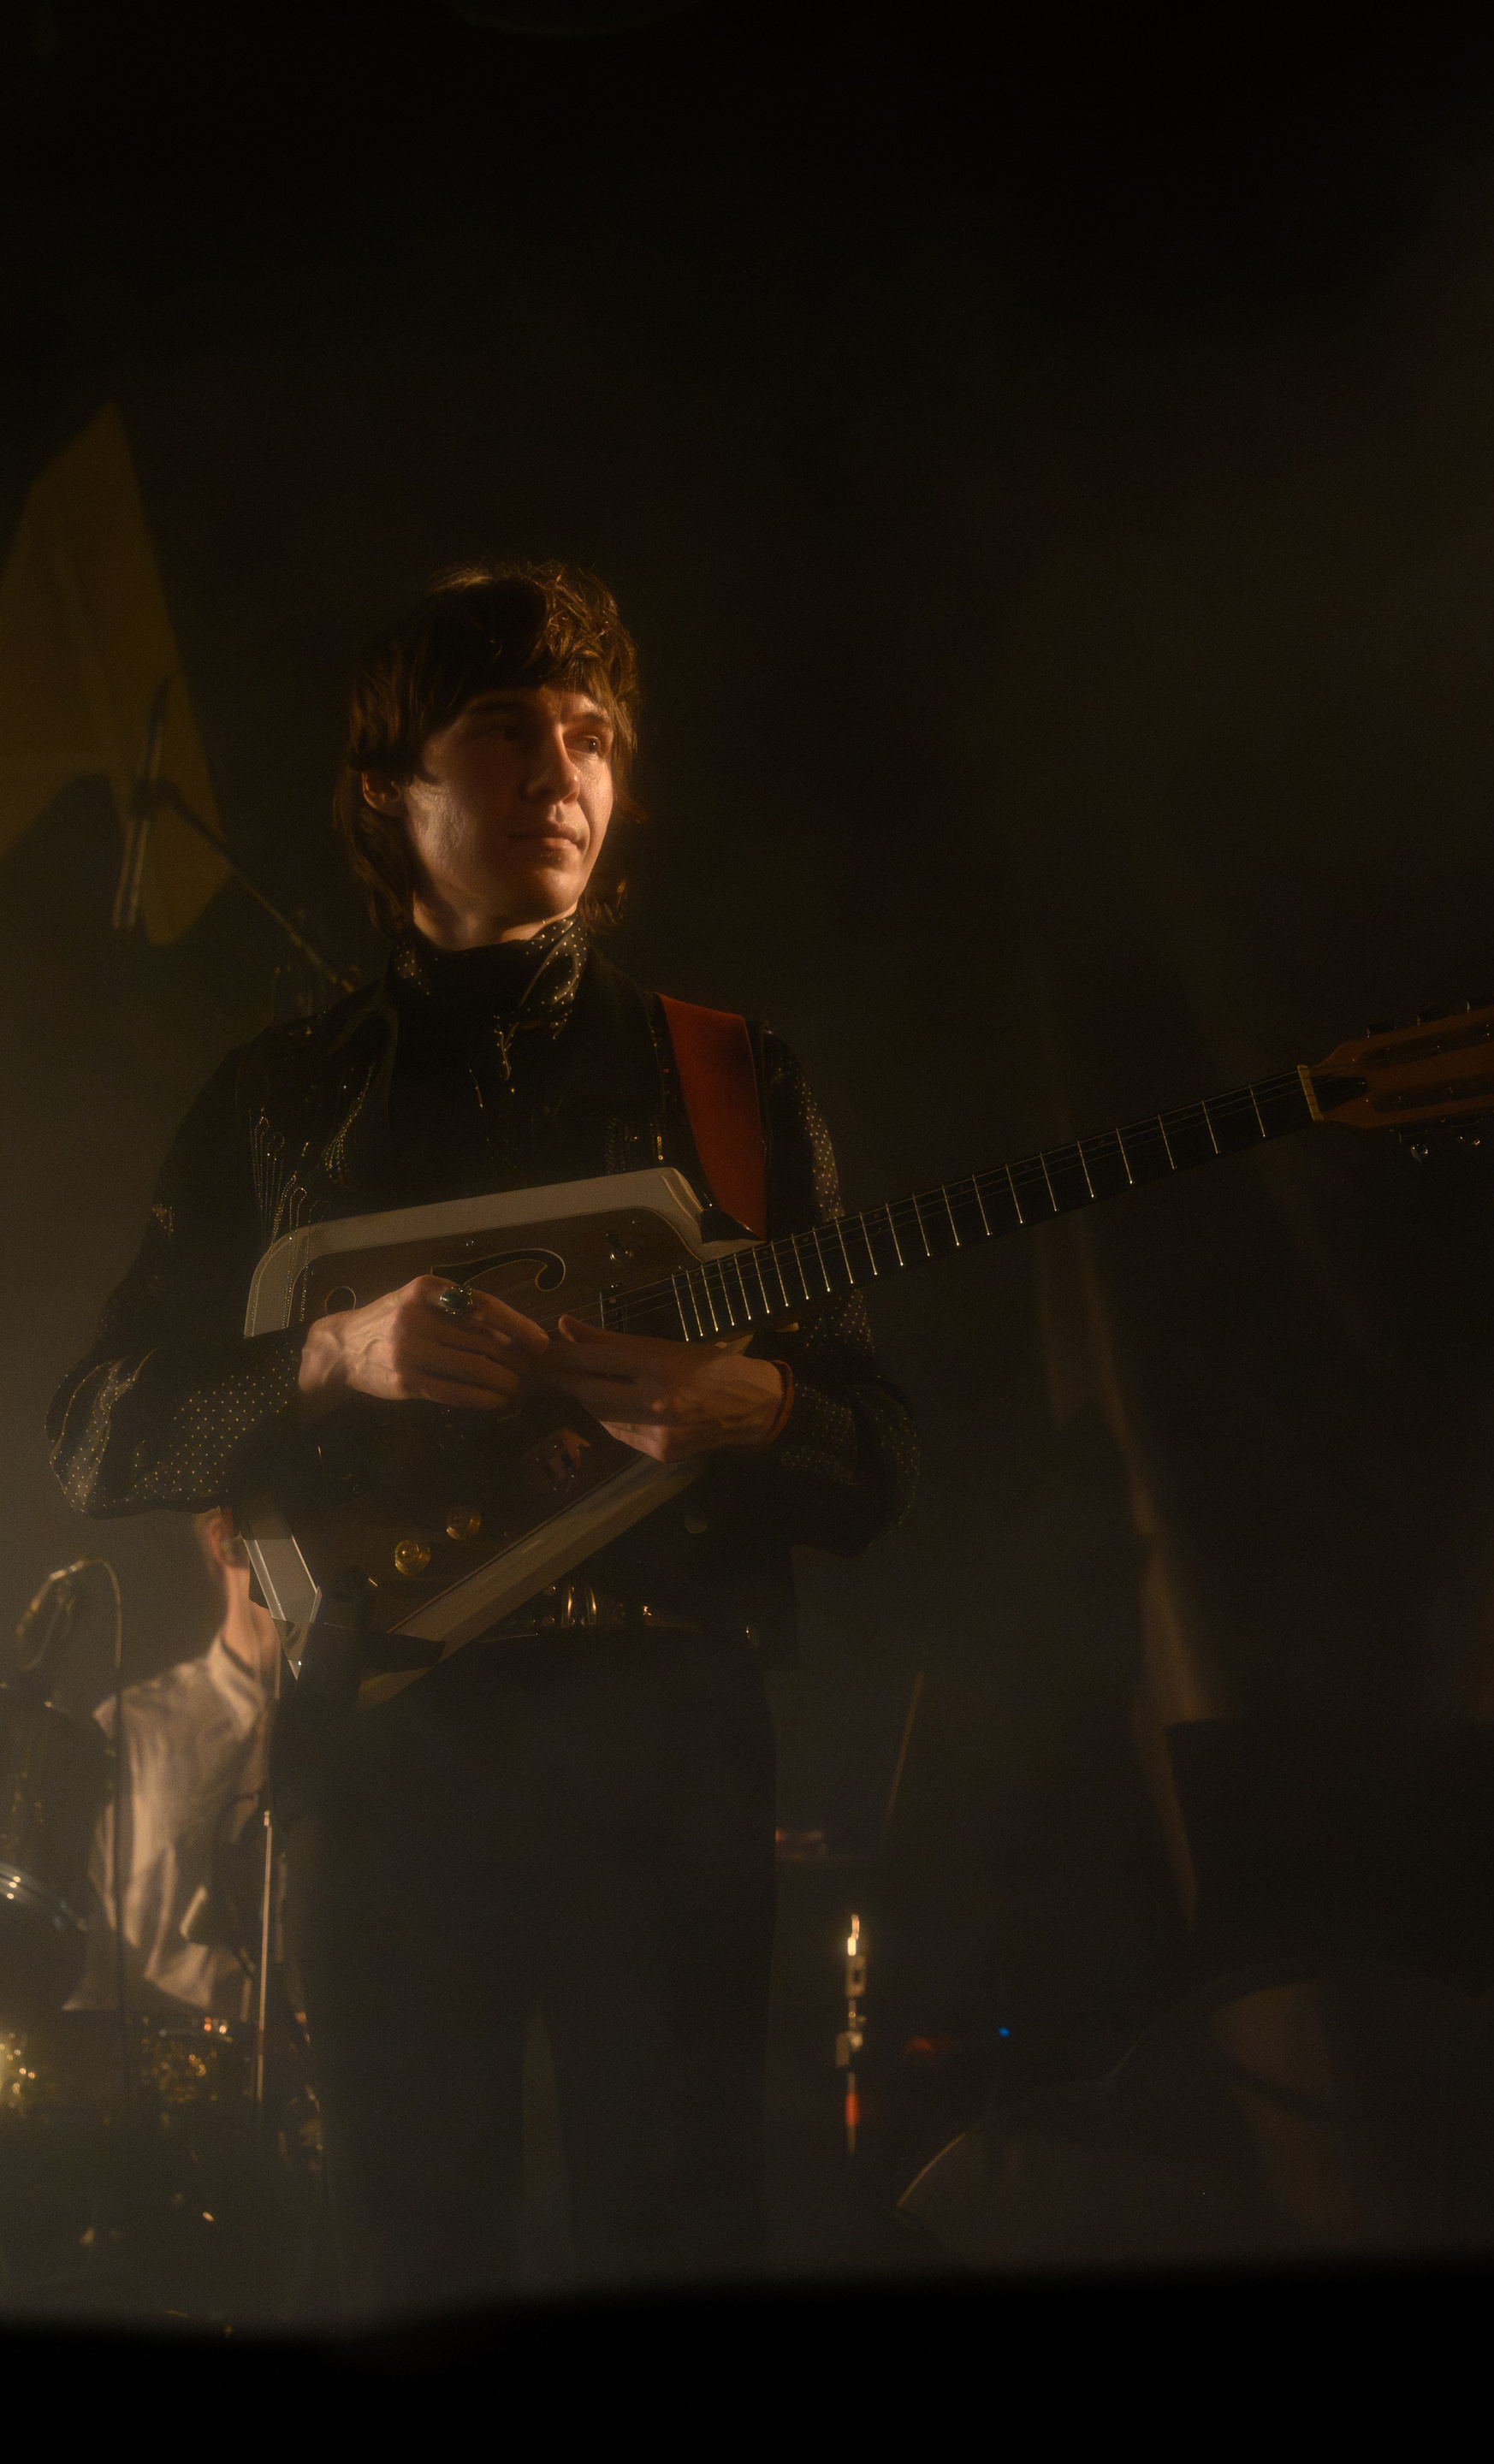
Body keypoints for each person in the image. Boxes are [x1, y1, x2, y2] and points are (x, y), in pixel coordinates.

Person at [46, 560, 916, 2311]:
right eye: (507, 730)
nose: (562, 772)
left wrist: (762, 1406)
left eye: (591, 736)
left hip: (669, 1743)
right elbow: (97, 1437)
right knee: (407, 2257)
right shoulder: (279, 1102)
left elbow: (876, 1460)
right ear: (390, 789)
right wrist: (329, 1353)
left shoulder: (732, 1078)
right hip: (386, 1761)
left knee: (678, 2252)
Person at [68, 1508, 280, 2019]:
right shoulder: (128, 1731)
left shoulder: (376, 1726)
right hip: (169, 2051)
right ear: (225, 1537)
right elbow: (79, 1969)